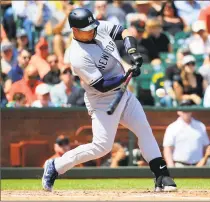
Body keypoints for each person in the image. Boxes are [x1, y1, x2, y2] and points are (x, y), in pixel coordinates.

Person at [42, 8, 176, 192]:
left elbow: (124, 32)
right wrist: (126, 75)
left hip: (123, 95)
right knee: (101, 147)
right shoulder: (78, 56)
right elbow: (101, 85)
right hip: (102, 100)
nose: (92, 30)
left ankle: (162, 175)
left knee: (144, 129)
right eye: (87, 28)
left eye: (92, 26)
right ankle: (56, 166)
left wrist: (132, 51)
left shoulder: (97, 27)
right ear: (74, 30)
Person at [163, 100, 210, 167]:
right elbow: (168, 149)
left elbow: (206, 146)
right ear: (178, 111)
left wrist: (204, 161)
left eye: (188, 109)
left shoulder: (200, 126)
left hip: (199, 165)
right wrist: (171, 167)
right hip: (179, 165)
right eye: (183, 109)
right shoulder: (172, 127)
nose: (186, 112)